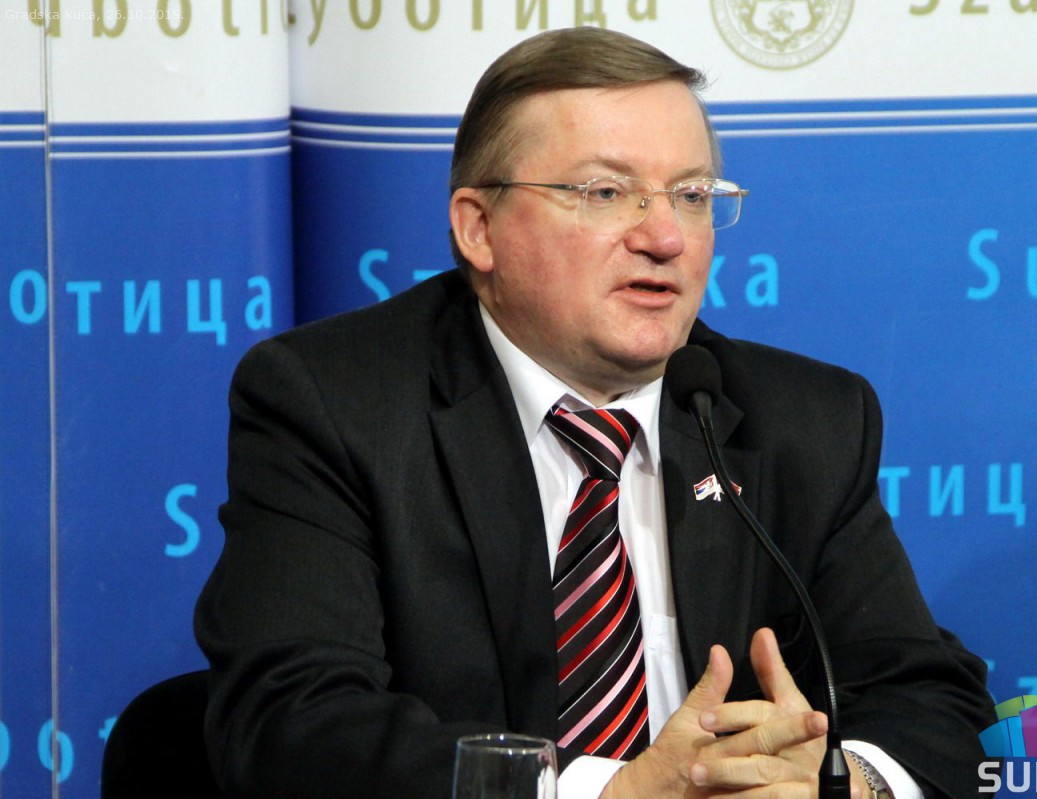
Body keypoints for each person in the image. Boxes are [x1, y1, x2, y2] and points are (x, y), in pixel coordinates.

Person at [195, 27, 993, 799]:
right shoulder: (337, 403)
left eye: (692, 195)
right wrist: (609, 792)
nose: (666, 237)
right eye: (606, 192)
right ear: (479, 228)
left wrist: (839, 784)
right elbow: (291, 721)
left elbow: (929, 699)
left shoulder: (802, 420)